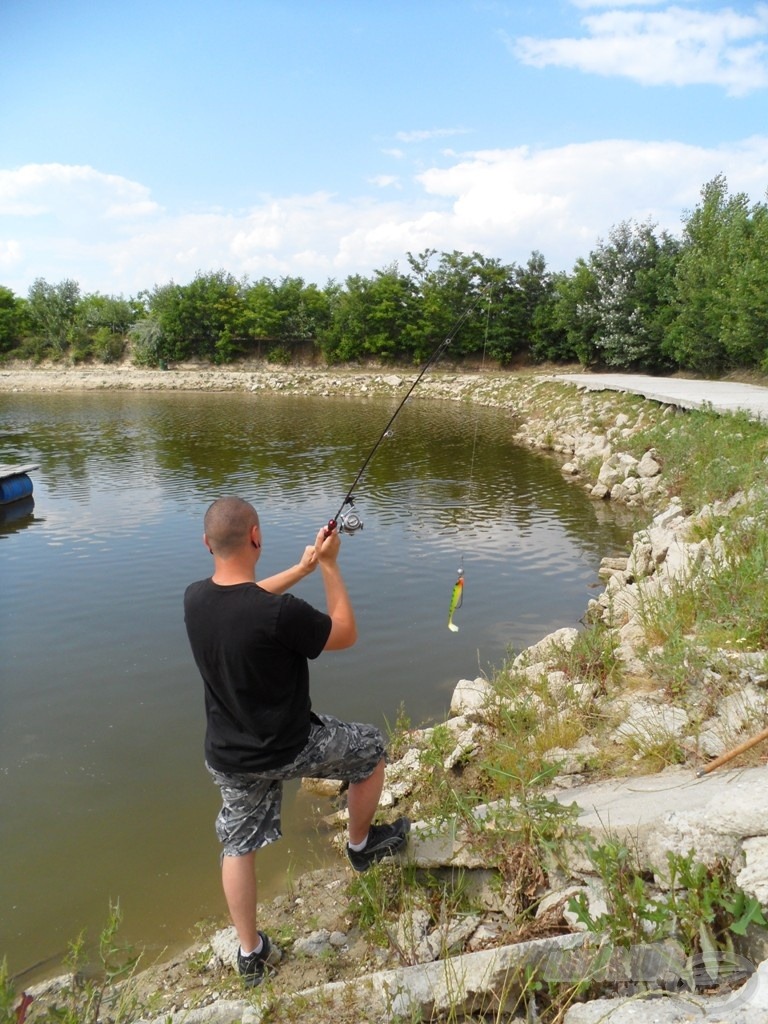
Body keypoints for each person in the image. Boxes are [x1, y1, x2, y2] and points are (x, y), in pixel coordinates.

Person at [183, 496, 409, 987]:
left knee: (237, 845)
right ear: (257, 536)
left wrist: (300, 569)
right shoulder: (281, 615)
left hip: (228, 756)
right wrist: (328, 568)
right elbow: (345, 633)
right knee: (370, 750)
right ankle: (361, 845)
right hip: (291, 747)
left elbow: (244, 598)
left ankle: (251, 953)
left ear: (207, 544)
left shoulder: (195, 599)